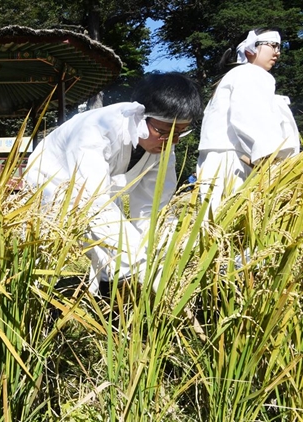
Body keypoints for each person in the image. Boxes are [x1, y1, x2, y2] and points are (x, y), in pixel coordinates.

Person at [25, 73, 203, 295]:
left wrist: (164, 254)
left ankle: (106, 301)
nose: (172, 141)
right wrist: (143, 263)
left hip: (101, 187)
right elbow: (94, 202)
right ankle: (37, 299)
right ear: (139, 116)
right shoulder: (95, 130)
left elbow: (153, 207)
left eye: (179, 133)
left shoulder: (163, 143)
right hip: (52, 180)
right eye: (164, 132)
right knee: (49, 249)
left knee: (120, 253)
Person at [197, 28, 300, 212]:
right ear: (250, 49)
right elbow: (251, 119)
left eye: (279, 46)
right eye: (273, 45)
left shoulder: (237, 76)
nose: (278, 52)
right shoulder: (250, 73)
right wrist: (273, 162)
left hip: (228, 158)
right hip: (234, 161)